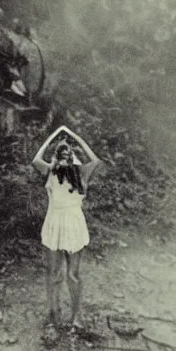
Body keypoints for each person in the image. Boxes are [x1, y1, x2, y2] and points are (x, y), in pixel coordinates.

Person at [31, 125, 102, 339]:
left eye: (67, 153)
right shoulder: (51, 171)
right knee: (53, 274)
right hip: (54, 222)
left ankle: (76, 316)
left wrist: (73, 136)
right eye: (60, 153)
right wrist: (55, 134)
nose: (64, 155)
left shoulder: (81, 172)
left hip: (74, 224)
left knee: (73, 275)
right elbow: (36, 159)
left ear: (73, 158)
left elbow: (95, 160)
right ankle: (53, 315)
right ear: (56, 159)